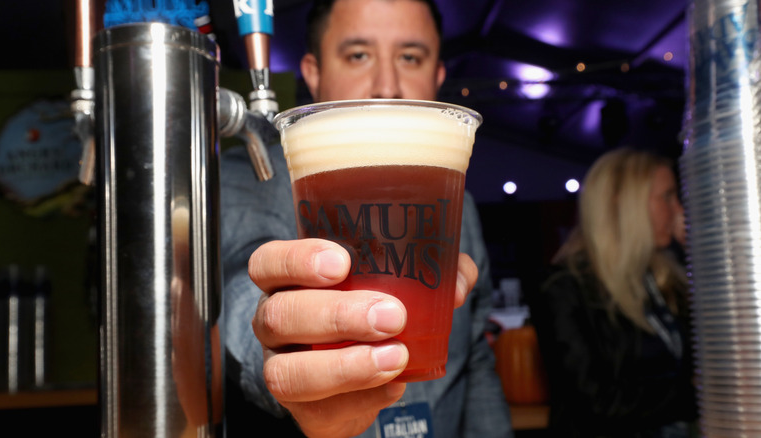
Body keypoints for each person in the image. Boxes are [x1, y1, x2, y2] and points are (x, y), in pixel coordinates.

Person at [220, 0, 514, 437]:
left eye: (410, 57)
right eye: (358, 55)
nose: (386, 85)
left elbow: (476, 363)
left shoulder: (460, 208)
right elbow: (242, 285)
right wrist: (283, 351)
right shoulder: (249, 178)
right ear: (312, 72)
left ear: (437, 77)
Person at [529, 148, 698, 438]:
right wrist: (699, 392)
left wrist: (699, 249)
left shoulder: (665, 278)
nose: (679, 211)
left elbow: (724, 344)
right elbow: (597, 401)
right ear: (626, 205)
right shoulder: (564, 287)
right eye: (667, 197)